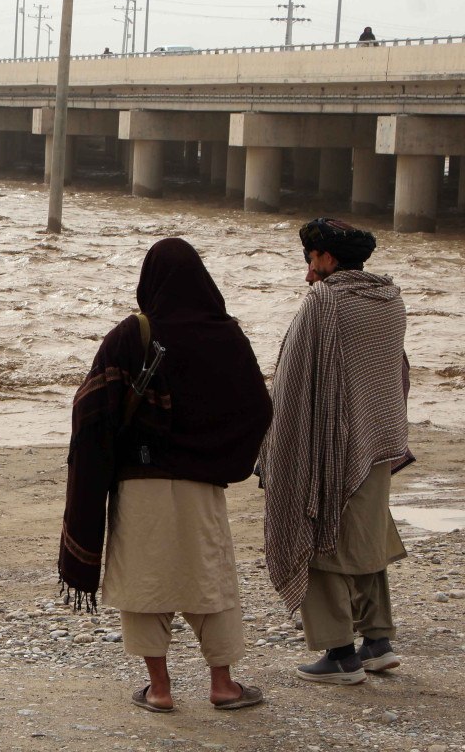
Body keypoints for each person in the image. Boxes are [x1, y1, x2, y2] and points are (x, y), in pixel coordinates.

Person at [58, 238, 272, 713]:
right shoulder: (226, 335)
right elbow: (258, 408)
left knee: (145, 584)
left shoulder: (131, 335)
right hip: (201, 486)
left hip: (141, 483)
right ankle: (223, 685)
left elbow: (91, 412)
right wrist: (223, 459)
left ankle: (160, 689)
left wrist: (109, 462)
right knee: (209, 581)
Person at [260, 218, 412, 685]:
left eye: (310, 261)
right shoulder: (390, 299)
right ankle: (379, 642)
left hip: (330, 445)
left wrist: (277, 448)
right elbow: (396, 370)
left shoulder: (324, 303)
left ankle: (341, 653)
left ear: (327, 258)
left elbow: (293, 382)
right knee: (367, 536)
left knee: (318, 535)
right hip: (378, 440)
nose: (308, 274)